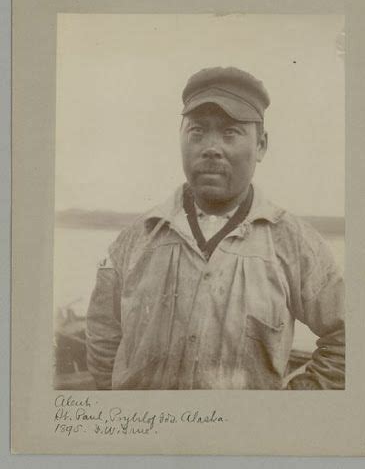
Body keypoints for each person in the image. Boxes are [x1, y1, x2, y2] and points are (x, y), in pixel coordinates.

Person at [86, 66, 345, 390]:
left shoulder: (295, 243)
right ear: (181, 140)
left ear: (261, 145)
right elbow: (102, 338)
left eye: (229, 133)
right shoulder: (133, 240)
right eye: (197, 132)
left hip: (242, 439)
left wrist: (287, 413)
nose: (211, 147)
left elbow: (350, 338)